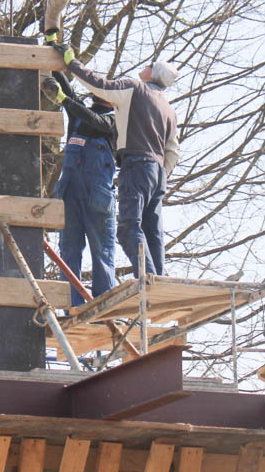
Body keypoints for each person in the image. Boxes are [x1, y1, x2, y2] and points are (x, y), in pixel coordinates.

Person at [52, 42, 179, 277]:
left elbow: (98, 85)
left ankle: (148, 279)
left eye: (149, 65)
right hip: (157, 172)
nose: (145, 67)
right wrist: (161, 173)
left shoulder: (133, 91)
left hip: (135, 166)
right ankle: (157, 278)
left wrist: (71, 63)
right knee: (152, 230)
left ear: (153, 73)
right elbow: (173, 150)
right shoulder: (168, 109)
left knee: (129, 227)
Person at [42, 72, 119, 306]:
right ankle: (72, 306)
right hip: (70, 196)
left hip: (98, 198)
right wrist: (56, 63)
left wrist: (64, 99)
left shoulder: (114, 121)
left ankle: (103, 307)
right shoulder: (78, 116)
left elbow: (93, 119)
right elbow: (71, 96)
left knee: (102, 253)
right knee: (69, 252)